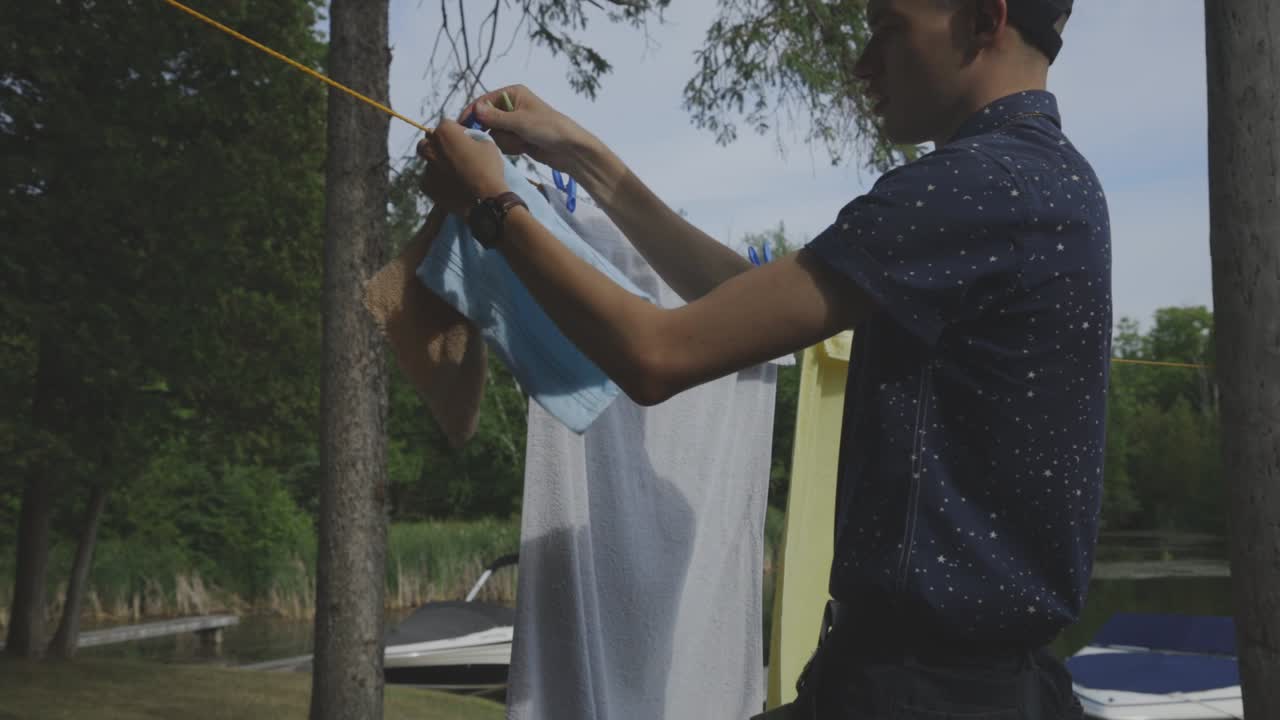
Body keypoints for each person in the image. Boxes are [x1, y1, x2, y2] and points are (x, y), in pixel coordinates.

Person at [418, 0, 1103, 716]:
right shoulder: (1046, 181)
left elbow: (655, 355)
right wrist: (583, 156)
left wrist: (491, 205)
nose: (862, 63)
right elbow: (737, 298)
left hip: (923, 695)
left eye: (888, 27)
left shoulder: (978, 186)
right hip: (971, 687)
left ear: (985, 20)